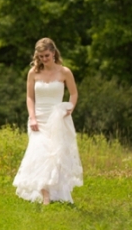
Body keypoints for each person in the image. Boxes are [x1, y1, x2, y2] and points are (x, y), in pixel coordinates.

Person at [13, 38, 83, 204]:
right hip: (38, 119)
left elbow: (74, 93)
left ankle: (56, 192)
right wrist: (32, 118)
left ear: (53, 53)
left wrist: (70, 108)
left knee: (55, 156)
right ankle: (45, 196)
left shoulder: (65, 72)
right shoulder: (33, 73)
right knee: (40, 154)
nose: (44, 59)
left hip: (57, 119)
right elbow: (30, 97)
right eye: (41, 56)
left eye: (47, 55)